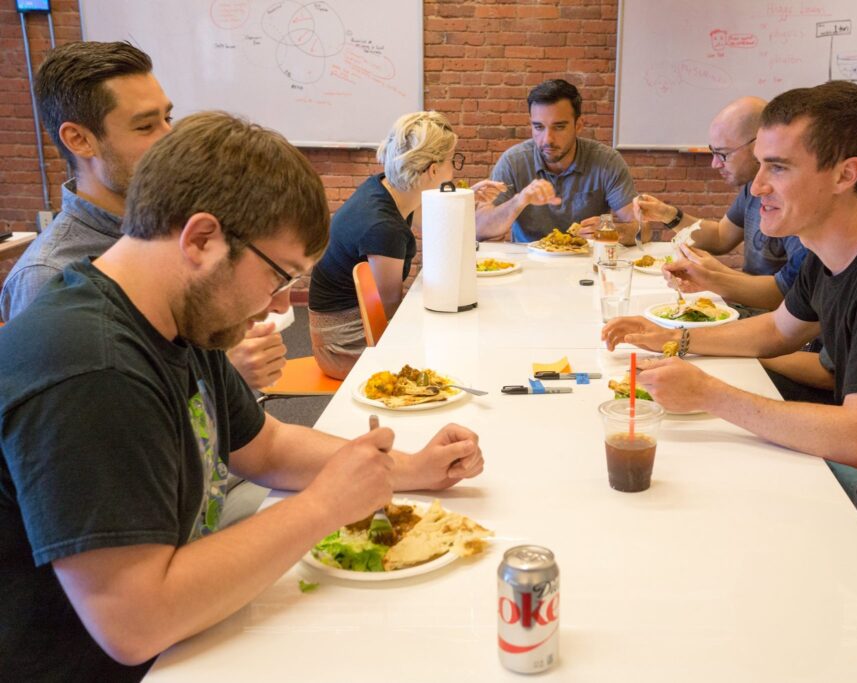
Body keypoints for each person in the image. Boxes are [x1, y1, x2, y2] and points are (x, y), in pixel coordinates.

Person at [0, 111, 485, 681]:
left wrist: (410, 468)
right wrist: (324, 505)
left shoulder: (179, 315)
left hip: (187, 632)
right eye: (280, 277)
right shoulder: (90, 365)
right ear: (202, 239)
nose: (282, 306)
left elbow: (267, 447)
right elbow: (135, 623)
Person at [602, 81, 857, 586]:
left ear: (845, 174)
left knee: (704, 503)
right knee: (707, 467)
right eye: (762, 164)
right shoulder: (827, 251)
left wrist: (708, 392)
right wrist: (667, 337)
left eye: (779, 167)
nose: (756, 187)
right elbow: (774, 330)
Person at [0, 41, 286, 390]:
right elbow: (84, 422)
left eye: (167, 118)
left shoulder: (175, 227)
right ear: (79, 140)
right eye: (145, 127)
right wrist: (225, 375)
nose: (171, 140)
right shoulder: (47, 275)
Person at [634, 95, 857, 312]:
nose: (758, 186)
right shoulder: (774, 194)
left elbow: (788, 311)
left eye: (778, 166)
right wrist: (668, 215)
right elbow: (783, 332)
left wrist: (715, 278)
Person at [308, 111, 503, 380]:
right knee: (456, 352)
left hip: (351, 328)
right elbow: (388, 316)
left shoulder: (388, 188)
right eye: (453, 161)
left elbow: (432, 223)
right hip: (344, 344)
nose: (454, 169)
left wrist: (466, 196)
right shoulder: (384, 228)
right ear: (433, 170)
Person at [476, 78, 638, 243]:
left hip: (587, 264)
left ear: (579, 125)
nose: (547, 139)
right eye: (539, 127)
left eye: (559, 127)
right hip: (529, 265)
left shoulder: (607, 162)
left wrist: (611, 231)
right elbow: (479, 229)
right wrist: (519, 200)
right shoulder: (513, 161)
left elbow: (643, 229)